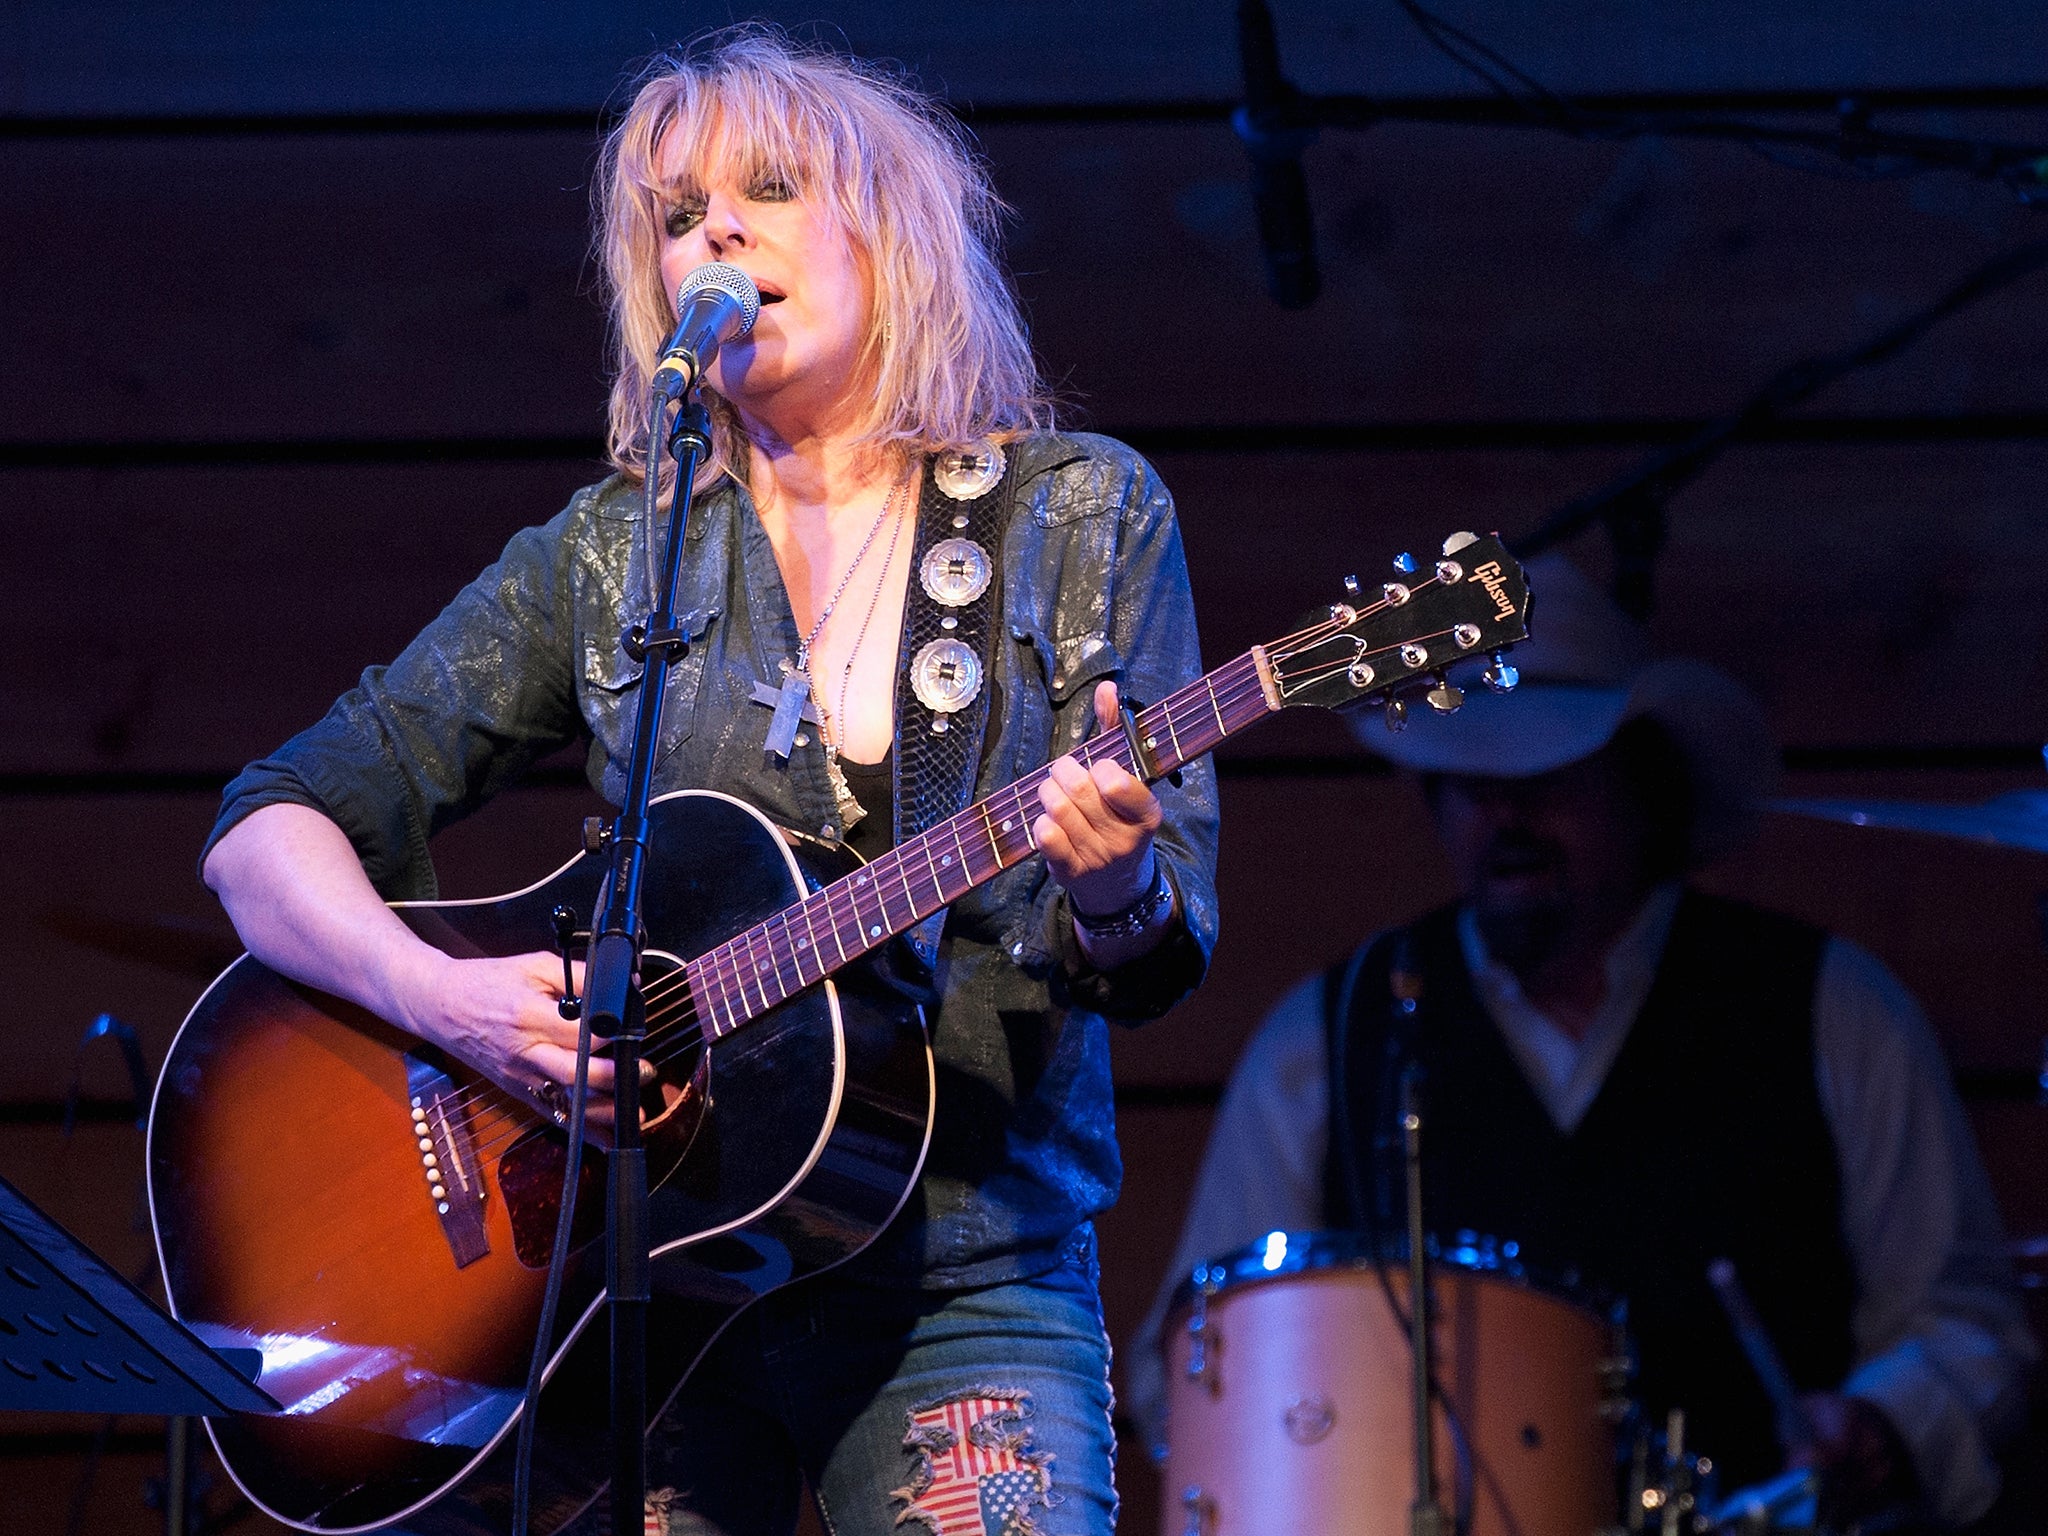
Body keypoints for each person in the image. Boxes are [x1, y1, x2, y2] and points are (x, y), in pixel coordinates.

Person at [200, 29, 1218, 1536]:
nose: (717, 233)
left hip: (962, 1283)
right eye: (678, 217)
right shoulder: (614, 551)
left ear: (896, 234)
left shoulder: (1078, 515)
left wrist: (1118, 884)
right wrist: (444, 1000)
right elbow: (261, 833)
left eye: (769, 188)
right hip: (648, 1296)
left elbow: (1152, 953)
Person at [1129, 555, 2032, 1530]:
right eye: (1473, 782)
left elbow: (1966, 1323)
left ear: (1642, 783)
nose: (1505, 817)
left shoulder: (1833, 1010)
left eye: (1548, 776)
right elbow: (1186, 1364)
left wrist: (1882, 1426)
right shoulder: (1329, 1031)